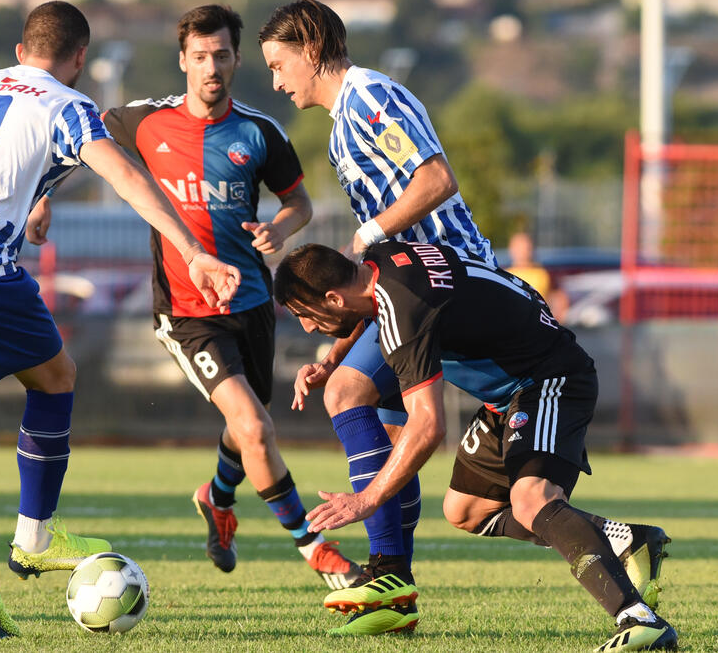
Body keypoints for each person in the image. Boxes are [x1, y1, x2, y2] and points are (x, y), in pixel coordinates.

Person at [0, 1, 240, 641]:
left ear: (19, 50)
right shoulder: (64, 103)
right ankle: (35, 536)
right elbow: (121, 173)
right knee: (57, 376)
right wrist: (194, 251)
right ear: (80, 60)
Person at [273, 241, 677, 650]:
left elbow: (429, 425)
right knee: (466, 510)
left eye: (305, 315)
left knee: (531, 499)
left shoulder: (405, 309)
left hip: (550, 379)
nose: (307, 327)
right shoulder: (382, 260)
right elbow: (375, 310)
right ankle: (624, 540)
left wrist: (368, 499)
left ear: (332, 298)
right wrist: (333, 360)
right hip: (508, 395)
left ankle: (639, 618)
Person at [100, 4, 360, 589]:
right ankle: (320, 556)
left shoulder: (260, 132)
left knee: (250, 426)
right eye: (200, 57)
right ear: (183, 61)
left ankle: (218, 500)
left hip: (250, 305)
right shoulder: (142, 122)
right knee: (254, 426)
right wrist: (41, 200)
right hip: (187, 312)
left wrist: (281, 229)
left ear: (237, 59)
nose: (211, 67)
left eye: (221, 56)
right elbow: (76, 139)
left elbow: (300, 204)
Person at [258, 0, 495, 633]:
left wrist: (372, 234)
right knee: (391, 435)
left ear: (310, 49)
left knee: (349, 393)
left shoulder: (369, 98)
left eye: (280, 64)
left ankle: (389, 572)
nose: (276, 81)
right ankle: (395, 593)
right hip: (413, 285)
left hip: (449, 278)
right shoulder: (342, 124)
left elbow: (437, 178)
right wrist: (335, 346)